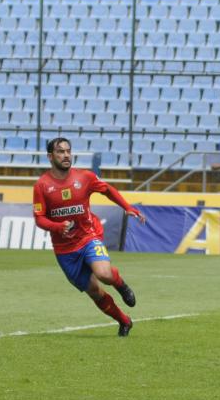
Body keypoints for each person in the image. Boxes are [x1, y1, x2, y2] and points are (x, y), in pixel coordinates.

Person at [32, 138, 146, 337]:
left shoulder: (84, 177)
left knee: (104, 274)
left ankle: (121, 285)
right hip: (65, 251)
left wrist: (127, 207)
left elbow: (107, 190)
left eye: (68, 151)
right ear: (50, 157)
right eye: (60, 152)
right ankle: (124, 321)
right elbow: (39, 218)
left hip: (88, 237)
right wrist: (58, 227)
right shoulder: (42, 186)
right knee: (94, 292)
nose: (66, 155)